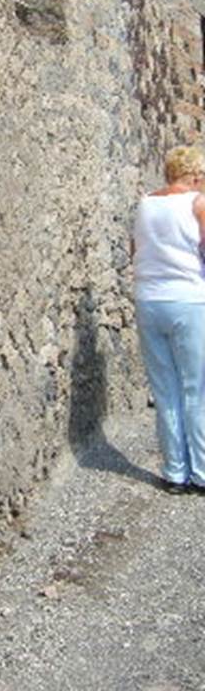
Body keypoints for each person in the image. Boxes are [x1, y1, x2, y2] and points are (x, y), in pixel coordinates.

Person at [133, 145, 205, 493]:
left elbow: (136, 251)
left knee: (165, 389)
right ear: (195, 175)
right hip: (188, 301)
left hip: (148, 301)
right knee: (196, 389)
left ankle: (175, 472)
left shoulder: (145, 203)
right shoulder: (198, 204)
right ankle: (202, 472)